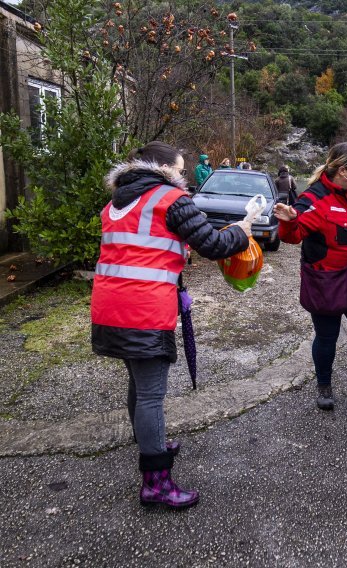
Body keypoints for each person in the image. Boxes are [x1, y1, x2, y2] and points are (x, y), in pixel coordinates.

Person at [91, 141, 251, 509]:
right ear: (164, 169)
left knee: (138, 382)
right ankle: (156, 482)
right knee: (150, 395)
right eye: (180, 170)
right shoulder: (169, 198)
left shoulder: (118, 201)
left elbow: (145, 247)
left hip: (109, 305)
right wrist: (242, 229)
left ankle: (150, 442)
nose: (183, 176)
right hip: (142, 309)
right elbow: (212, 244)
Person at [274, 142, 347, 411]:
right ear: (343, 170)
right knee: (327, 337)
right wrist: (290, 220)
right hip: (327, 282)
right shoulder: (314, 198)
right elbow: (293, 236)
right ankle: (324, 386)